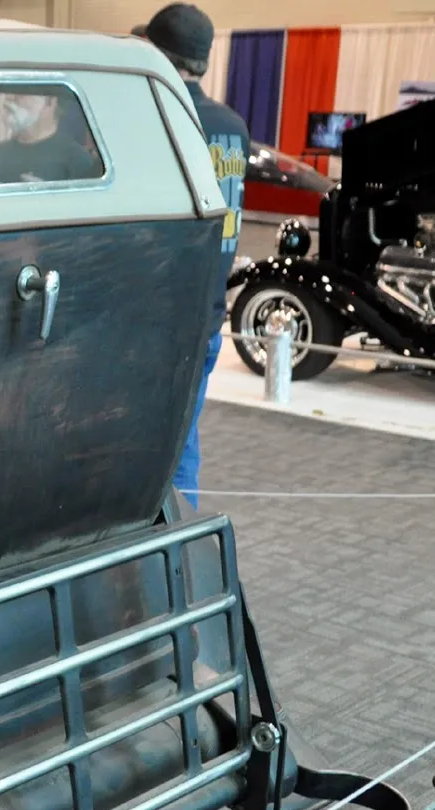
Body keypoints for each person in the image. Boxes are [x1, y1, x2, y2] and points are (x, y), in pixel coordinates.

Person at [144, 3, 247, 508]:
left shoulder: (157, 117)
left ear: (156, 53)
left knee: (153, 447)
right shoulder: (232, 126)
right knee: (184, 441)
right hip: (207, 311)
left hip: (158, 318)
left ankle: (169, 557)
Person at [0, 92, 100, 185]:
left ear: (50, 102)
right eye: (9, 92)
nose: (10, 98)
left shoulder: (76, 160)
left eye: (21, 93)